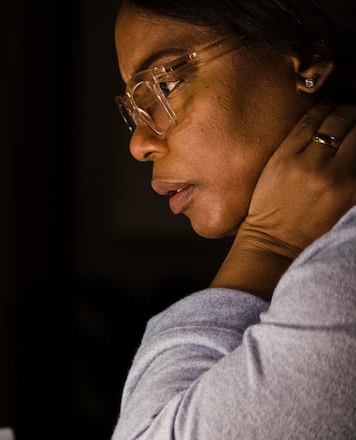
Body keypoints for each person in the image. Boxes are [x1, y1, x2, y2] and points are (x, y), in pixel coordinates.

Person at [110, 0, 356, 438]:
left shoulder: (342, 275)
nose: (140, 144)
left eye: (163, 85)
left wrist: (267, 244)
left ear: (307, 59)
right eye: (133, 109)